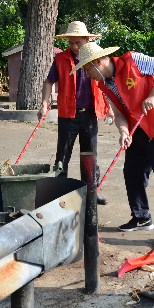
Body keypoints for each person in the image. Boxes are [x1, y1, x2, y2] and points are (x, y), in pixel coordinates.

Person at [72, 42, 154, 248]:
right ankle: (141, 217)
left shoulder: (133, 60)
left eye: (87, 69)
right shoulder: (103, 84)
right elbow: (119, 113)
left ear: (97, 62)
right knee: (132, 170)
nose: (87, 74)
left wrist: (153, 95)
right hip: (137, 126)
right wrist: (123, 132)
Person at [38, 22, 113, 205]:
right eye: (71, 43)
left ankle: (91, 192)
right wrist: (44, 103)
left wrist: (109, 106)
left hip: (90, 114)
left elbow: (105, 84)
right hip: (68, 114)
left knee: (90, 155)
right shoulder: (61, 59)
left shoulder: (96, 58)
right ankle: (59, 193)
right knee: (62, 156)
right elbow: (49, 82)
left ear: (87, 40)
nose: (74, 47)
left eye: (78, 43)